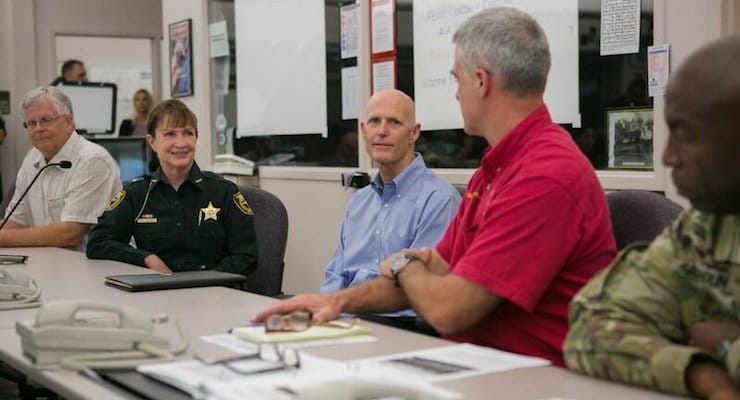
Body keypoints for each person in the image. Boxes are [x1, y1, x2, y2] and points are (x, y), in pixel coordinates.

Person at [252, 7, 616, 366]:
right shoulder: (494, 170)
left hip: (528, 379)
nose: (456, 94)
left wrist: (403, 267)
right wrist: (337, 302)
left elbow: (446, 309)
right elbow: (436, 268)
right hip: (474, 363)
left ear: (481, 81)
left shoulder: (544, 175)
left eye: (456, 79)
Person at [564, 33, 740, 399]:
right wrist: (703, 374)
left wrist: (727, 346)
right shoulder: (706, 227)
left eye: (685, 135)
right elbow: (591, 329)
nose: (667, 157)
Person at [321, 89, 461, 329]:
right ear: (364, 130)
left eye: (394, 122)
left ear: (414, 133)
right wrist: (322, 310)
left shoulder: (439, 200)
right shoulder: (359, 201)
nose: (382, 131)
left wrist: (340, 305)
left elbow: (419, 289)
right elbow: (337, 275)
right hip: (345, 319)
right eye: (375, 121)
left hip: (400, 325)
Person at [86, 99, 258, 276]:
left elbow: (247, 256)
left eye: (188, 133)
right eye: (170, 134)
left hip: (216, 293)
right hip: (158, 294)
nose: (181, 143)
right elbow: (98, 243)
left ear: (196, 138)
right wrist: (146, 259)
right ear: (152, 142)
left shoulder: (224, 192)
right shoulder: (137, 194)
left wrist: (204, 282)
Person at [0, 86, 121, 249]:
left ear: (68, 121)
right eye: (31, 123)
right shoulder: (32, 157)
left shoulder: (93, 160)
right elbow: (16, 221)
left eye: (45, 120)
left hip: (92, 267)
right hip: (48, 264)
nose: (38, 129)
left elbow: (69, 235)